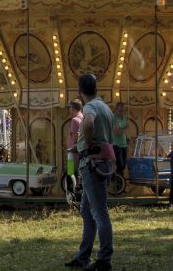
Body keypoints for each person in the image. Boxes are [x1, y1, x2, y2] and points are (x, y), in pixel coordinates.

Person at [65, 73, 114, 271]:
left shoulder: (90, 107)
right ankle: (83, 256)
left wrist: (86, 142)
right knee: (87, 211)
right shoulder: (105, 107)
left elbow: (89, 123)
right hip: (102, 162)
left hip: (92, 163)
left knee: (99, 213)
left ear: (80, 91)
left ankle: (104, 260)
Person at [65, 100, 83, 193]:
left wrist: (73, 147)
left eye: (70, 108)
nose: (69, 110)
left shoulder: (75, 120)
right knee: (78, 171)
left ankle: (70, 191)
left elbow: (75, 136)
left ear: (73, 109)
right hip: (81, 149)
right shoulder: (83, 117)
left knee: (70, 171)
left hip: (73, 151)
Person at [111, 103, 129, 177]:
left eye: (123, 110)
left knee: (124, 164)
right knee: (120, 164)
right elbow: (117, 132)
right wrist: (124, 129)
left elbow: (128, 127)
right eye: (120, 111)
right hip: (116, 144)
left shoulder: (125, 117)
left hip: (124, 144)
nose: (121, 112)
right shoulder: (113, 118)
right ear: (116, 110)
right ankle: (118, 179)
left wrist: (121, 129)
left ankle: (120, 179)